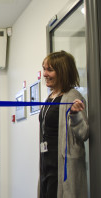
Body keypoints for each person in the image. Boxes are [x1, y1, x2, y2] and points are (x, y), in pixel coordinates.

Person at [39, 50, 89, 198]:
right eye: (44, 69)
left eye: (50, 70)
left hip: (62, 166)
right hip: (47, 163)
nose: (45, 74)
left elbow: (84, 133)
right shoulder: (51, 97)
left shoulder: (73, 97)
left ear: (62, 72)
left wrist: (74, 115)